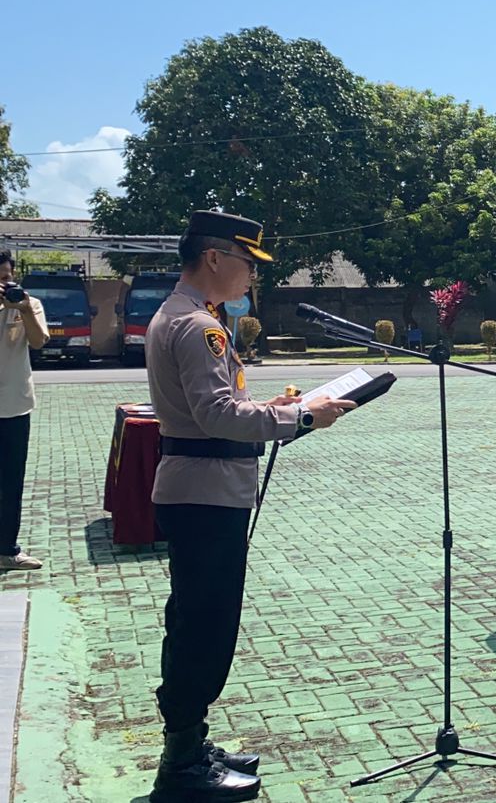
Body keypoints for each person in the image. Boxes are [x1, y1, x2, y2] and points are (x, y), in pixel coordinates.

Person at [145, 211, 356, 801]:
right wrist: (304, 415)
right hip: (205, 493)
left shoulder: (189, 317)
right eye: (247, 263)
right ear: (214, 257)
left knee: (196, 620)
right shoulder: (198, 327)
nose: (251, 277)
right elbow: (215, 416)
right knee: (203, 628)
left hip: (201, 488)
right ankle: (182, 765)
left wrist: (273, 406)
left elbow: (208, 408)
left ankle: (191, 742)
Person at [0, 251, 48, 571]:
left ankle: (7, 550)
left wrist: (22, 308)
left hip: (15, 405)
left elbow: (39, 341)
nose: (5, 284)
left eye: (7, 276)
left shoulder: (30, 304)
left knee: (11, 481)